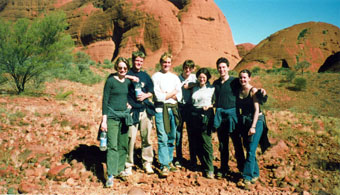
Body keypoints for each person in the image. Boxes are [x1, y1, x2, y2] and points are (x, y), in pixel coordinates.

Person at [101, 57, 135, 188]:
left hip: (124, 117)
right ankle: (110, 175)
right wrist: (104, 121)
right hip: (112, 116)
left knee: (123, 145)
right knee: (112, 146)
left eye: (125, 68)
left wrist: (130, 105)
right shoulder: (110, 81)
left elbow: (134, 94)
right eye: (120, 68)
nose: (122, 70)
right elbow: (105, 101)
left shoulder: (127, 81)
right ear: (116, 68)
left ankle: (119, 169)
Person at [123, 51, 156, 175]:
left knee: (146, 137)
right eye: (137, 60)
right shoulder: (127, 73)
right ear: (133, 61)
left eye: (141, 61)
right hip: (132, 111)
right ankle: (128, 165)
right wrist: (131, 77)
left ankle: (147, 163)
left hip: (145, 110)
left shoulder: (145, 76)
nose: (139, 63)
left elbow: (151, 91)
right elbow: (119, 78)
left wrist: (146, 95)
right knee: (130, 138)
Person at [213, 57, 246, 179]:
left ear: (228, 68)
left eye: (223, 67)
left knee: (237, 143)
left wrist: (259, 91)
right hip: (221, 117)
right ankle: (223, 168)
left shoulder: (235, 81)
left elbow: (247, 87)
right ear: (217, 69)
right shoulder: (216, 83)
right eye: (219, 67)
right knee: (223, 144)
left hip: (233, 117)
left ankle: (242, 169)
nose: (221, 69)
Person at [236, 69, 269, 189]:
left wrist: (253, 126)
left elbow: (257, 110)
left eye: (245, 77)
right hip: (245, 121)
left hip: (257, 121)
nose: (242, 80)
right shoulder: (239, 90)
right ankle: (255, 173)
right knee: (249, 148)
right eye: (241, 78)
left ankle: (247, 177)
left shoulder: (253, 91)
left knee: (251, 150)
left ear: (249, 78)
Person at [152, 52, 182, 177]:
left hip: (173, 110)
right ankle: (164, 164)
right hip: (160, 111)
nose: (166, 64)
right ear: (161, 63)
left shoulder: (175, 77)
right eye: (165, 62)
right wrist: (171, 93)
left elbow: (179, 96)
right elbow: (158, 97)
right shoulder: (155, 77)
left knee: (171, 137)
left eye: (169, 62)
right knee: (162, 137)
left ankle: (169, 161)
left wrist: (167, 94)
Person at [190, 68, 215, 178]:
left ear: (207, 78)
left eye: (204, 77)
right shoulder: (194, 87)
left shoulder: (211, 88)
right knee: (196, 141)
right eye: (200, 76)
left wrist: (210, 106)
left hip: (206, 115)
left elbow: (217, 102)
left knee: (206, 141)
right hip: (194, 115)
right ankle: (201, 164)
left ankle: (210, 168)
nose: (202, 78)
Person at [175, 59, 196, 168]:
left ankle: (193, 159)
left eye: (190, 68)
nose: (188, 70)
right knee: (178, 133)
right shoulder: (177, 78)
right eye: (186, 67)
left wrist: (190, 85)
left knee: (191, 134)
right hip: (180, 107)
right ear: (183, 68)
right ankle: (178, 158)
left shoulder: (194, 78)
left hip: (191, 108)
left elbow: (202, 82)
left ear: (193, 69)